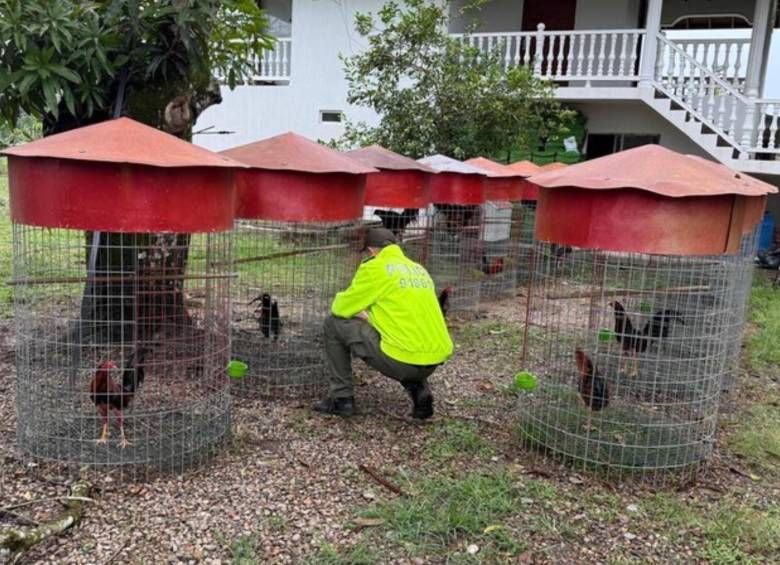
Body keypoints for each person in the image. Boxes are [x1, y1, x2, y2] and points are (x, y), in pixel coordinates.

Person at [313, 227, 453, 418]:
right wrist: (370, 317)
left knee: (333, 324)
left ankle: (341, 398)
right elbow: (404, 317)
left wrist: (359, 312)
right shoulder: (419, 269)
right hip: (433, 361)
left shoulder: (375, 267)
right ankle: (419, 389)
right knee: (406, 337)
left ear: (371, 251)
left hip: (403, 361)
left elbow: (340, 308)